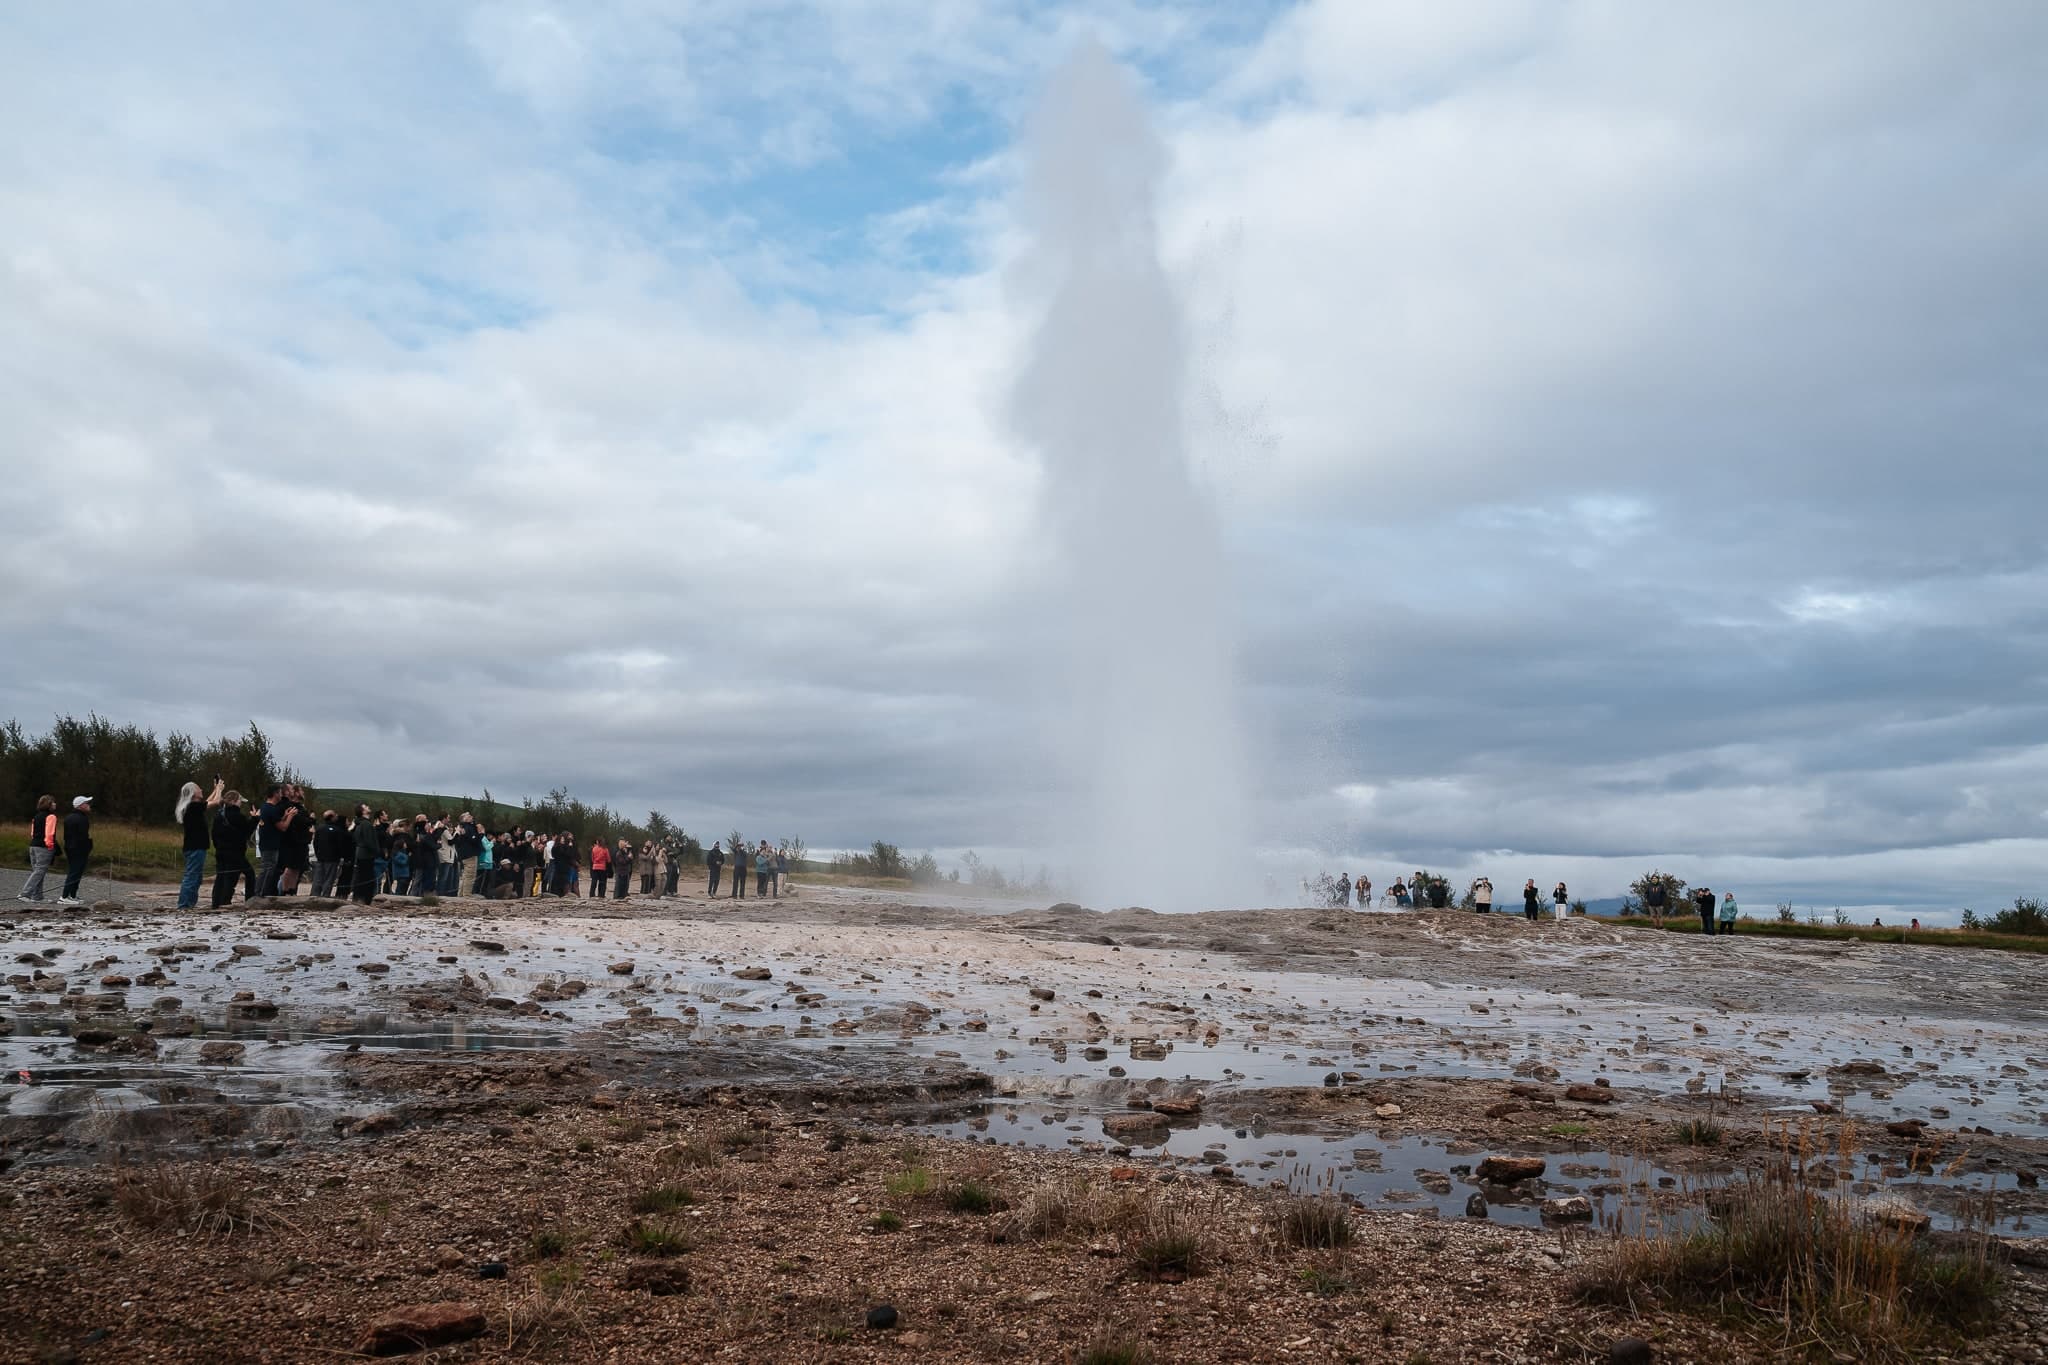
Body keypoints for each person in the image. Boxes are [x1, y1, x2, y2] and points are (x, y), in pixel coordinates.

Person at [176, 779, 225, 908]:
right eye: (199, 789)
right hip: (195, 847)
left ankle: (189, 904)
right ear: (193, 793)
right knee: (192, 876)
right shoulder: (192, 807)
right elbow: (215, 802)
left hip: (195, 847)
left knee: (196, 877)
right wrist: (219, 789)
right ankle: (184, 905)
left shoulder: (193, 807)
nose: (201, 790)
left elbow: (207, 802)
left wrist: (215, 790)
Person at [211, 792, 256, 907]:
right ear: (234, 801)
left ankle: (216, 903)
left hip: (220, 851)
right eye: (240, 801)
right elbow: (247, 831)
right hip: (236, 852)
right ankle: (247, 900)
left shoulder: (218, 816)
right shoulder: (238, 816)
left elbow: (214, 835)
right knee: (248, 874)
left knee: (221, 876)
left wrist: (219, 846)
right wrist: (255, 819)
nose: (241, 803)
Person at [21, 795, 62, 902]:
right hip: (43, 847)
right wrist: (51, 847)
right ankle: (25, 894)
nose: (55, 804)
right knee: (40, 871)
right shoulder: (51, 816)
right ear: (48, 804)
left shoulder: (36, 817)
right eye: (53, 802)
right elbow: (49, 834)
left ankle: (37, 896)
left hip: (33, 845)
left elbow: (32, 833)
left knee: (37, 871)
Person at [57, 796, 95, 904]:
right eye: (86, 803)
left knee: (76, 872)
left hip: (70, 847)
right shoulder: (81, 818)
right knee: (74, 872)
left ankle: (72, 895)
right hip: (78, 849)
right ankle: (64, 896)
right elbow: (82, 836)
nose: (89, 805)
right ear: (80, 805)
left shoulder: (69, 817)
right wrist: (88, 846)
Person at [351, 803, 380, 903]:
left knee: (361, 877)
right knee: (367, 878)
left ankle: (359, 898)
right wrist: (376, 851)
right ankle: (365, 899)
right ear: (362, 811)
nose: (368, 807)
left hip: (361, 853)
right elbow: (369, 841)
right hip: (366, 855)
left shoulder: (360, 823)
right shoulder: (366, 824)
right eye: (366, 806)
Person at [311, 809, 344, 897]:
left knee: (318, 878)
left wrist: (317, 853)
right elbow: (339, 845)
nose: (337, 816)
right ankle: (325, 896)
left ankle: (314, 895)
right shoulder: (337, 830)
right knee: (329, 878)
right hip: (332, 858)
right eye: (335, 815)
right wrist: (340, 856)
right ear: (332, 818)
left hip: (320, 857)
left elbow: (315, 843)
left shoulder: (319, 828)